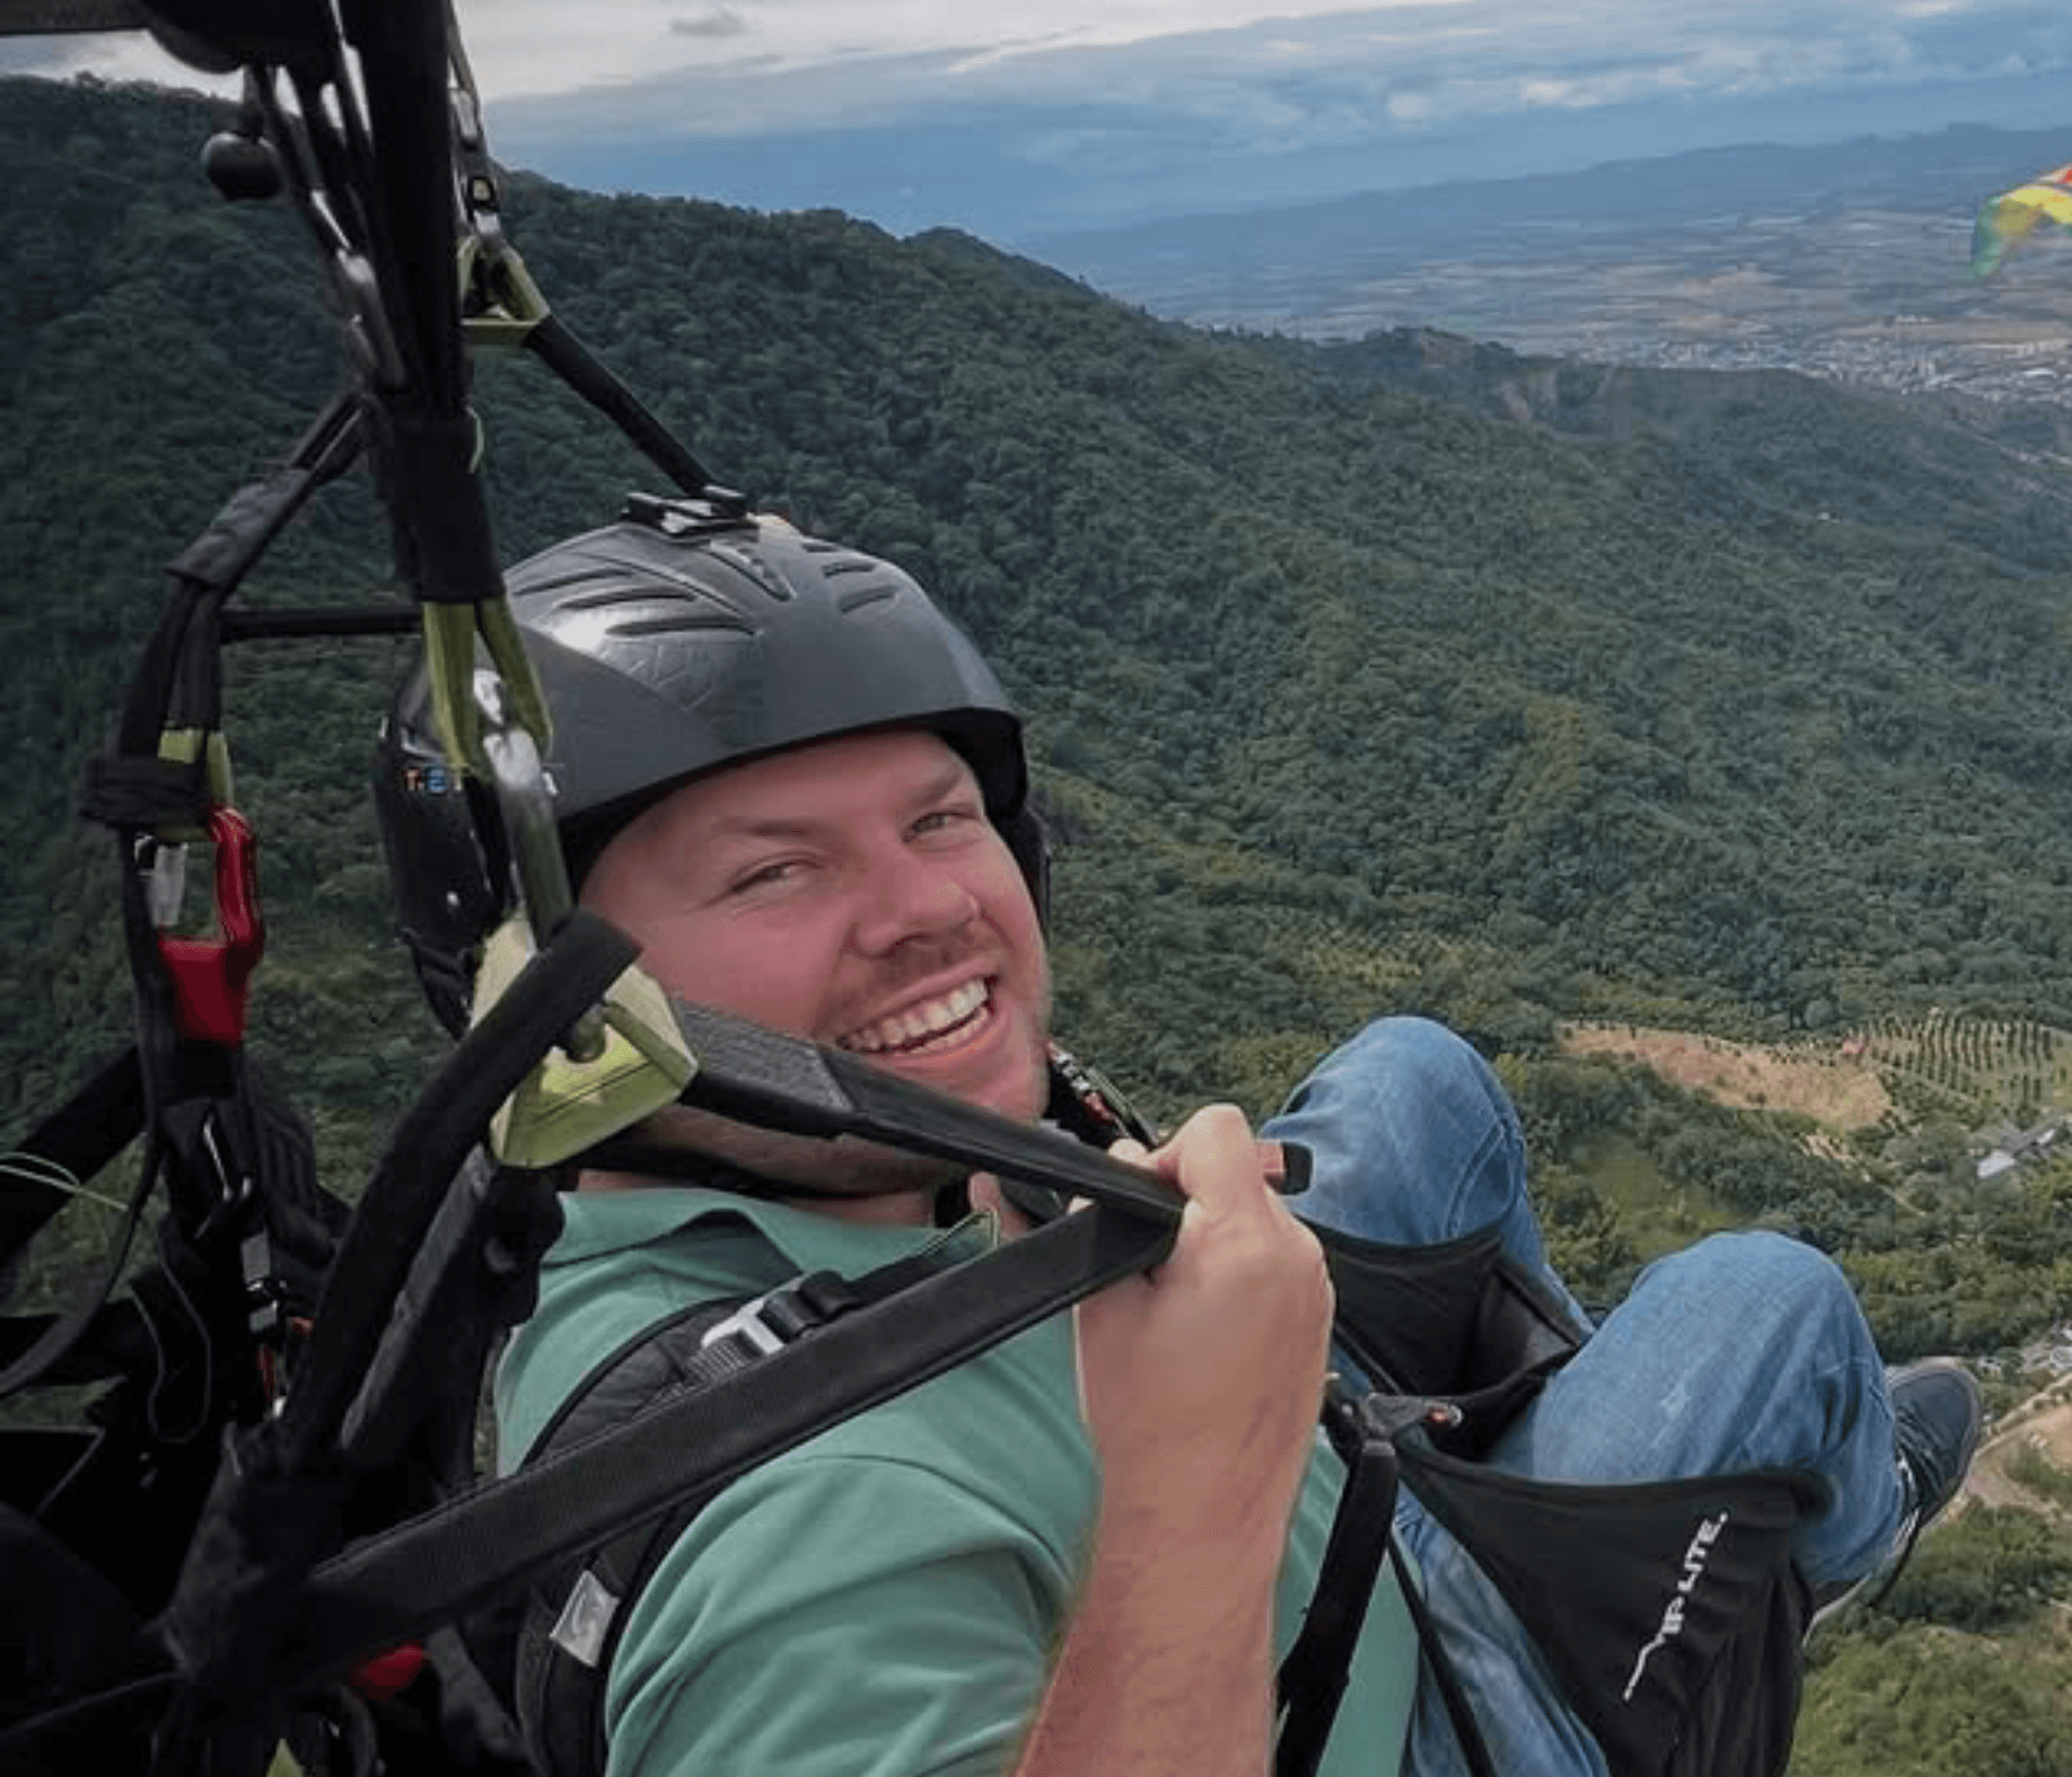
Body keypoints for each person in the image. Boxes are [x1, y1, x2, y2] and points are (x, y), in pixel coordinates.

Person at [372, 495, 1984, 1777]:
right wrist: (1205, 1467)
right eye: (773, 871)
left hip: (1320, 1527)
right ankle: (1835, 1527)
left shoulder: (637, 1210)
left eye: (942, 818)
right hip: (1390, 1702)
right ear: (561, 997)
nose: (932, 906)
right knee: (1764, 1309)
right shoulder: (807, 1557)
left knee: (1419, 1081)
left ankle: (1535, 1492)